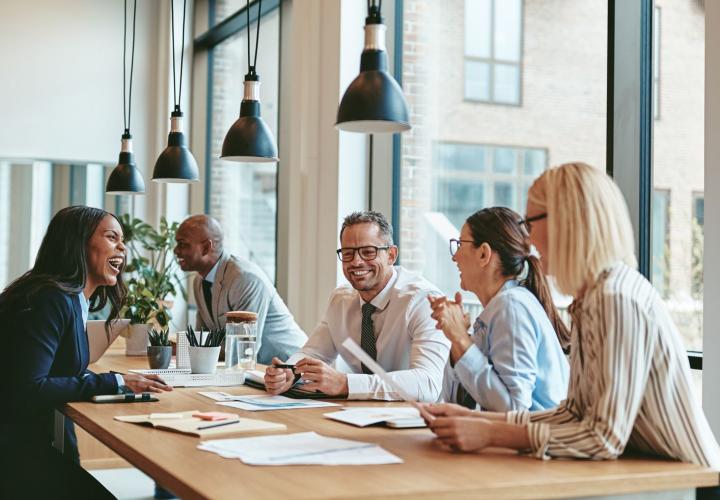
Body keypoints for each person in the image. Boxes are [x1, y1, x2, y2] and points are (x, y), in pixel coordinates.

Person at [423, 163, 720, 470]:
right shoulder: (593, 297)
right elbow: (574, 414)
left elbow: (602, 437)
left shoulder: (613, 299)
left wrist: (491, 431)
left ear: (567, 222)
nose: (530, 242)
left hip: (688, 483)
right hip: (658, 473)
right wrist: (479, 419)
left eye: (531, 223)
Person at [0, 206, 171, 498]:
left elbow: (60, 370)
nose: (123, 247)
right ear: (78, 243)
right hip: (16, 452)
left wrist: (119, 381)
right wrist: (114, 382)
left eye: (123, 240)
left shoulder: (69, 298)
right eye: (111, 237)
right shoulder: (50, 300)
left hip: (33, 441)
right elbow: (28, 388)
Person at [264, 211, 450, 401]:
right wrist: (289, 372)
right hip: (363, 414)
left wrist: (345, 384)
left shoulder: (424, 301)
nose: (356, 262)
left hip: (421, 421)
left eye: (368, 252)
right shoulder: (341, 299)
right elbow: (313, 353)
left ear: (391, 255)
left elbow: (427, 384)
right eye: (348, 253)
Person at [428, 207, 569, 412]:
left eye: (460, 244)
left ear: (484, 253)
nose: (454, 257)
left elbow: (513, 410)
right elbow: (454, 402)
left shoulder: (512, 307)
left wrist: (461, 339)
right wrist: (457, 340)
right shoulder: (500, 308)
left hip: (534, 442)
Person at [174, 214, 307, 364]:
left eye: (183, 244)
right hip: (256, 373)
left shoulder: (244, 278)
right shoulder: (199, 282)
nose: (176, 251)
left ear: (206, 247)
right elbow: (201, 343)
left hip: (292, 370)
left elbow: (243, 352)